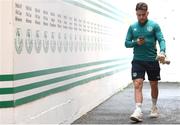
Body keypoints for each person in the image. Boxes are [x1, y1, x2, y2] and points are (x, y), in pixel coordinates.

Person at [125, 2, 166, 122]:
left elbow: (161, 39)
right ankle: (138, 110)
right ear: (136, 14)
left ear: (147, 13)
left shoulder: (154, 25)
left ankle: (154, 107)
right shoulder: (132, 27)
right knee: (137, 84)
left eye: (143, 14)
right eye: (139, 15)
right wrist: (135, 42)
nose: (141, 17)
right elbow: (126, 43)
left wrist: (162, 51)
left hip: (152, 60)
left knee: (154, 84)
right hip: (138, 60)